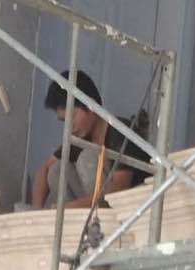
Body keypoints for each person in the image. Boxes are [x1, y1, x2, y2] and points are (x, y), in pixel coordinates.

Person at [31, 69, 150, 210]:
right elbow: (45, 168)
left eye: (72, 117)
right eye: (64, 121)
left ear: (91, 105)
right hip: (91, 209)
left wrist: (66, 209)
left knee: (88, 158)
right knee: (57, 170)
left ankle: (88, 217)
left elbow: (119, 188)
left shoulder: (121, 131)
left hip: (130, 208)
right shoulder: (80, 137)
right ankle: (78, 220)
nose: (69, 127)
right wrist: (36, 213)